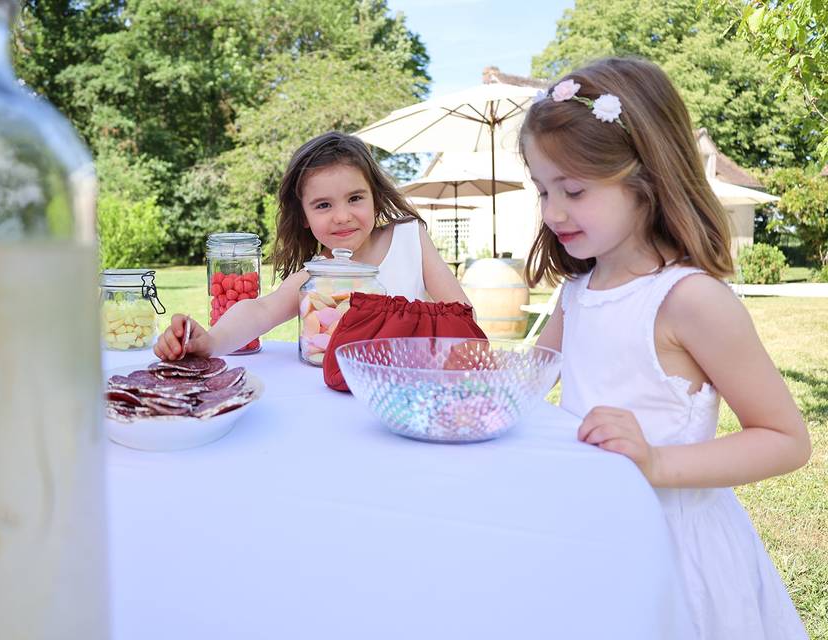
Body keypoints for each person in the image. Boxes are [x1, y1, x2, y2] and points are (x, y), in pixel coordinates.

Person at [521, 57, 812, 639]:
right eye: (542, 189)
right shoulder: (577, 293)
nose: (552, 213)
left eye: (573, 189)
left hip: (674, 547)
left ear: (646, 179)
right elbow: (524, 383)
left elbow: (786, 441)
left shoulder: (689, 301)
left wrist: (655, 462)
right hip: (591, 529)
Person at [154, 131, 471, 360]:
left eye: (355, 198)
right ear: (303, 216)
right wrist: (210, 342)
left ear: (375, 198)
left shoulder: (409, 238)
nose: (342, 216)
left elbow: (462, 314)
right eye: (323, 205)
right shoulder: (317, 276)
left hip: (411, 387)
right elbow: (262, 309)